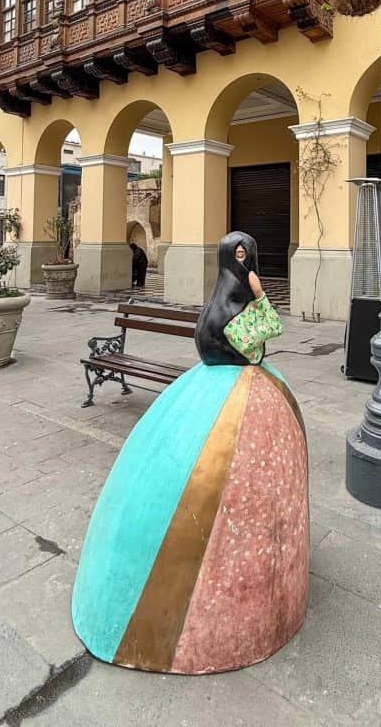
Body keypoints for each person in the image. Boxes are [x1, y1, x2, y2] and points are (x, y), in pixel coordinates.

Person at [72, 231, 309, 675]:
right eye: (236, 254)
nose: (243, 260)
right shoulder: (229, 300)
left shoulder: (235, 295)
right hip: (228, 382)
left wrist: (257, 298)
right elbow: (260, 329)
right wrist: (260, 299)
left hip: (247, 383)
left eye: (247, 253)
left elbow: (256, 333)